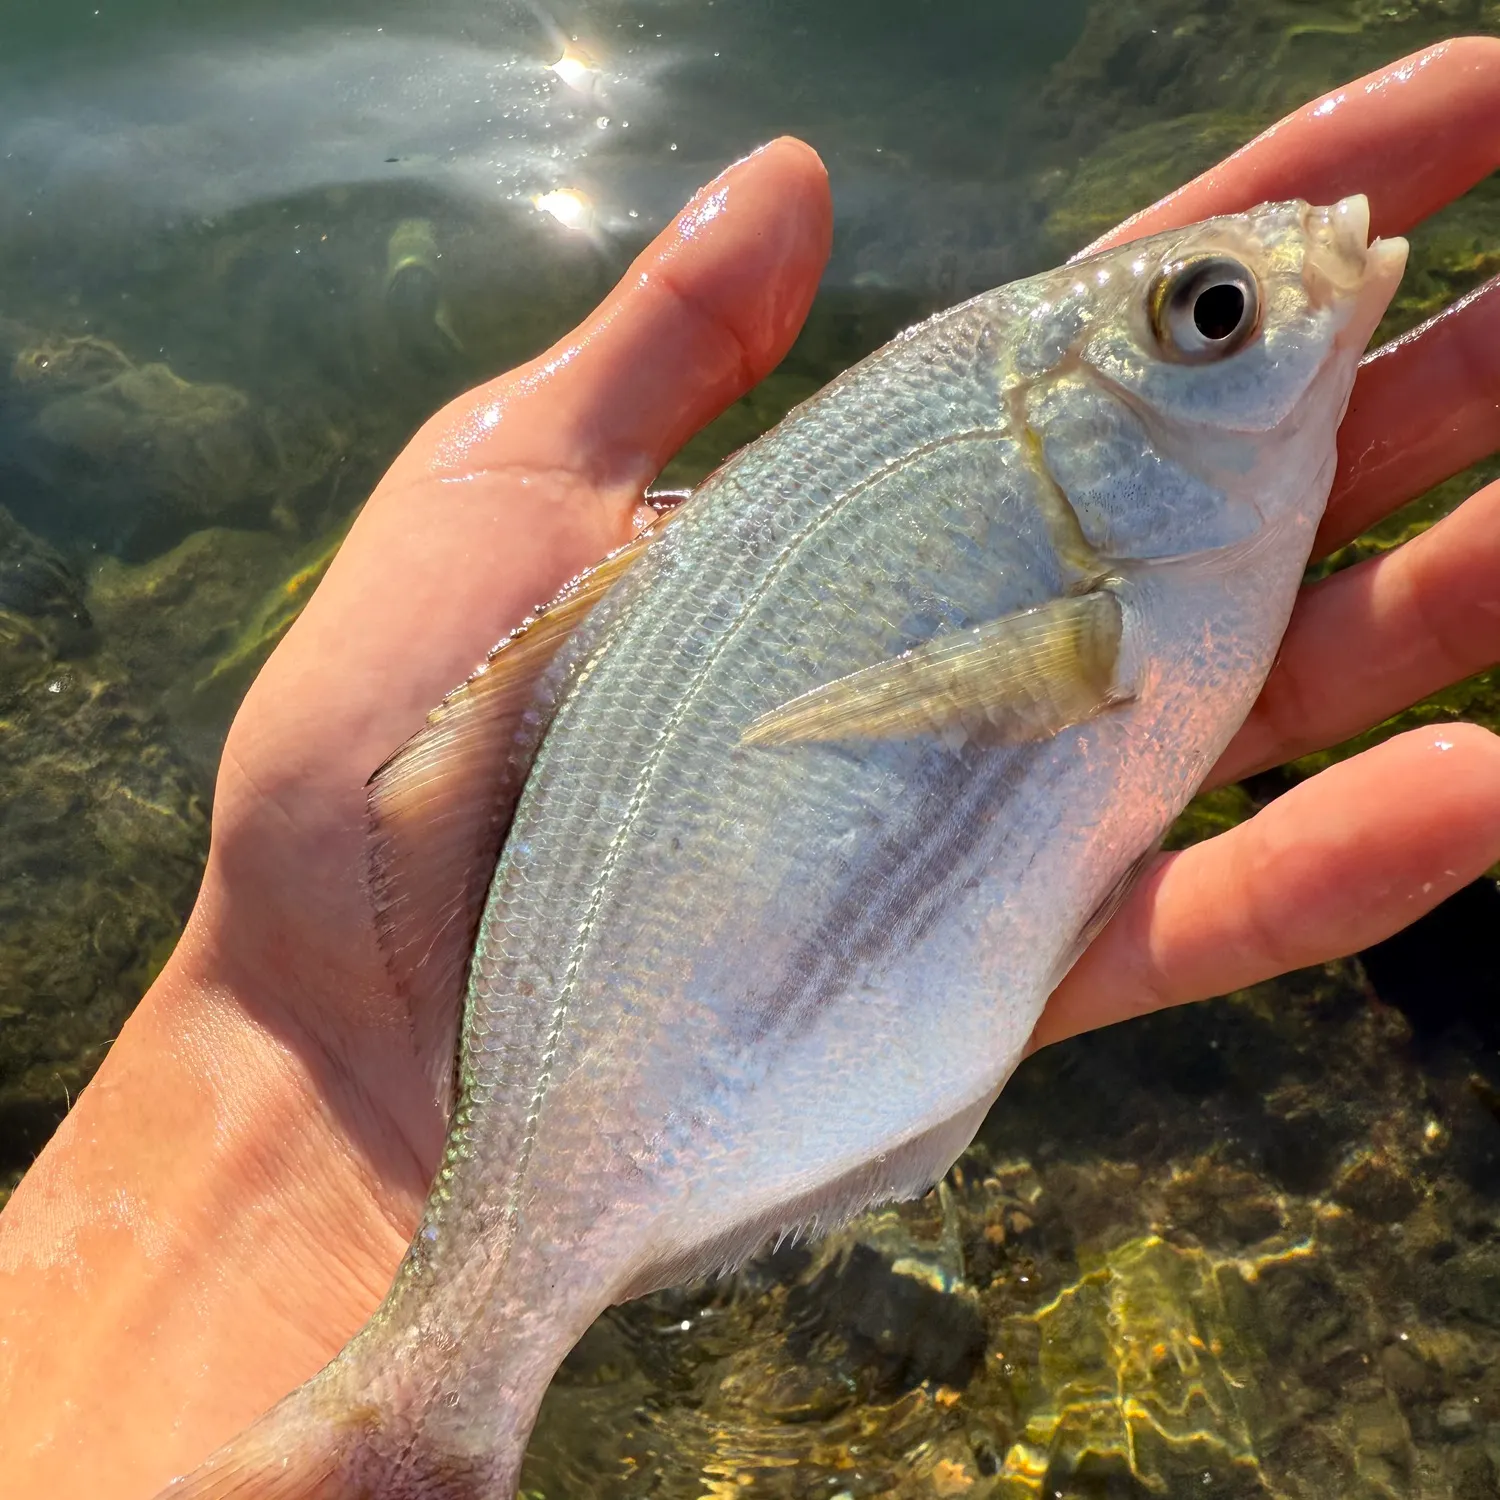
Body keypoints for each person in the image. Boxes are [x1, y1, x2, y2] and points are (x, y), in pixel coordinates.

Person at [4, 37, 1500, 1500]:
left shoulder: (1121, 558)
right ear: (1067, 431)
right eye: (1219, 314)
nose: (1313, 286)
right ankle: (425, 1420)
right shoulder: (1118, 559)